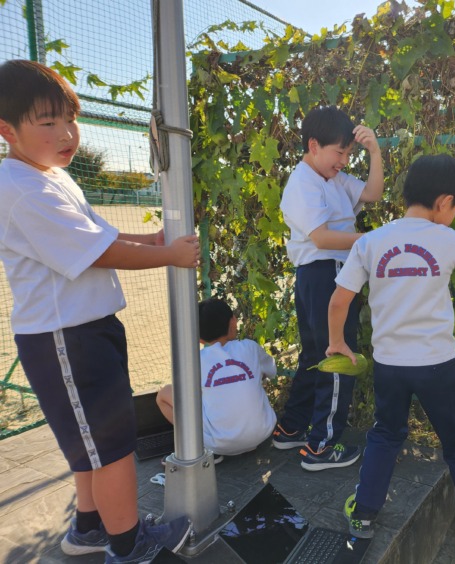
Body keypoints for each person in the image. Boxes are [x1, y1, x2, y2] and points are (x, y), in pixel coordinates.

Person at [0, 59, 197, 563]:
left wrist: (148, 239)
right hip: (66, 339)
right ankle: (129, 547)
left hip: (83, 332)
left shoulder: (48, 175)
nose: (68, 133)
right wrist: (167, 255)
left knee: (94, 446)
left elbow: (99, 235)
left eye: (71, 118)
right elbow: (100, 253)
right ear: (8, 131)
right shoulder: (22, 190)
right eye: (48, 123)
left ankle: (88, 529)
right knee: (111, 449)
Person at [327, 154, 455, 561]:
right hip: (437, 366)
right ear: (445, 202)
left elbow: (340, 299)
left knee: (385, 436)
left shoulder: (371, 241)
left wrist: (337, 342)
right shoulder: (449, 239)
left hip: (390, 366)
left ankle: (363, 516)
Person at [273, 105, 384, 471]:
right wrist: (371, 240)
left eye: (349, 154)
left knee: (314, 355)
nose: (343, 161)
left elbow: (372, 194)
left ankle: (291, 429)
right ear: (314, 145)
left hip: (325, 274)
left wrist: (375, 152)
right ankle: (321, 446)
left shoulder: (333, 179)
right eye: (340, 153)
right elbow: (321, 238)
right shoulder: (302, 182)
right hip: (324, 274)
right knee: (338, 356)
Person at [156, 298, 277, 460]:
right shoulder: (250, 347)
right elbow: (271, 371)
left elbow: (186, 394)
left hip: (217, 444)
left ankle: (196, 449)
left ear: (197, 337)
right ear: (233, 322)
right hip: (262, 433)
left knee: (164, 394)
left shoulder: (194, 360)